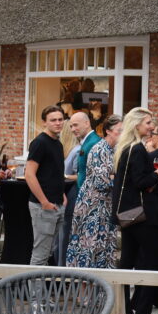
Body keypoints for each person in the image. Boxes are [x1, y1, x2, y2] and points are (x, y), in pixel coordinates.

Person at [112, 107, 158, 314]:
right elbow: (140, 182)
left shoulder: (125, 147)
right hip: (140, 214)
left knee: (127, 261)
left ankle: (124, 310)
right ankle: (141, 313)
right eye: (148, 123)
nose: (152, 127)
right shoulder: (137, 149)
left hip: (127, 213)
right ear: (137, 125)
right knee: (153, 260)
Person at [66, 114, 122, 269]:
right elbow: (101, 181)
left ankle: (100, 283)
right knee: (88, 248)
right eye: (119, 130)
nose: (122, 134)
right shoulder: (99, 149)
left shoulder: (113, 150)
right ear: (108, 131)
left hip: (104, 207)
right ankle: (85, 285)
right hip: (92, 207)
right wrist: (117, 179)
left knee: (103, 248)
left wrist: (113, 176)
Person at [24, 105, 66, 266]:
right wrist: (44, 202)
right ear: (44, 122)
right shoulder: (40, 143)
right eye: (53, 120)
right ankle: (34, 284)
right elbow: (29, 174)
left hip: (56, 204)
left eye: (60, 119)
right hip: (43, 207)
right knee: (40, 255)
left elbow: (54, 172)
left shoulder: (58, 143)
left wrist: (62, 195)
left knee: (48, 253)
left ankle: (42, 284)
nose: (58, 123)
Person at [59, 111, 101, 266]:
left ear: (87, 123)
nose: (72, 129)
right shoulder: (86, 142)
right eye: (70, 126)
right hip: (80, 196)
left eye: (75, 125)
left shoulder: (93, 143)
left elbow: (93, 174)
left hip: (87, 198)